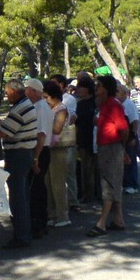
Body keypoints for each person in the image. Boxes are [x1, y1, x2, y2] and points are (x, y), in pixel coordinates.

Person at [87, 75, 128, 237]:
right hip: (106, 147)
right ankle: (119, 219)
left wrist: (121, 148)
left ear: (106, 88)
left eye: (99, 86)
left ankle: (102, 222)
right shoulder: (104, 105)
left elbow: (124, 129)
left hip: (111, 147)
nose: (96, 88)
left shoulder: (113, 105)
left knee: (108, 184)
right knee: (114, 183)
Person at [0, 78, 38, 248]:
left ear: (14, 91)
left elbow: (4, 133)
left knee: (17, 196)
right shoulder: (25, 105)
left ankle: (21, 236)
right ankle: (23, 232)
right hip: (23, 153)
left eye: (7, 93)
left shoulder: (20, 108)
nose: (7, 96)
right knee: (21, 194)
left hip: (18, 154)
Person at [25, 78, 53, 239]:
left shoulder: (40, 108)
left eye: (27, 89)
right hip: (40, 151)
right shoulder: (40, 106)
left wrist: (35, 158)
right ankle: (39, 222)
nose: (25, 92)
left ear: (34, 91)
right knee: (38, 188)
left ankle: (38, 223)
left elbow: (41, 135)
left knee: (36, 189)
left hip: (40, 151)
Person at [44, 80, 71, 228]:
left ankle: (63, 215)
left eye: (46, 97)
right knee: (48, 183)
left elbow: (57, 129)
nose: (45, 100)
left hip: (59, 149)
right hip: (49, 148)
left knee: (58, 183)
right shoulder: (50, 108)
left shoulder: (61, 109)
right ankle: (52, 214)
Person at [51, 74, 79, 210]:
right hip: (56, 140)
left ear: (61, 84)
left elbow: (72, 117)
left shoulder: (68, 99)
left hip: (66, 139)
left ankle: (73, 201)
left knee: (69, 172)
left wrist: (62, 126)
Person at [74, 76, 98, 203]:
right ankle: (86, 194)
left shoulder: (96, 102)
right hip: (83, 138)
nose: (78, 90)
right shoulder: (80, 103)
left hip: (95, 137)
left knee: (97, 167)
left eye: (80, 87)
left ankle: (97, 193)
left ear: (87, 88)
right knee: (85, 168)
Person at [117, 84, 140, 195]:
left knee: (130, 160)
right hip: (122, 137)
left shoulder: (129, 104)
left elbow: (135, 121)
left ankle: (132, 184)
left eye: (118, 92)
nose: (115, 94)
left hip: (130, 136)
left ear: (124, 94)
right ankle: (125, 183)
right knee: (124, 161)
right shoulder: (119, 104)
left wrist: (134, 136)